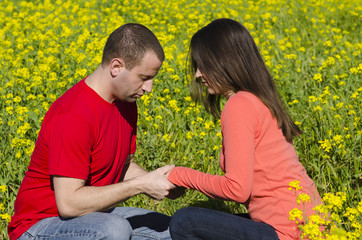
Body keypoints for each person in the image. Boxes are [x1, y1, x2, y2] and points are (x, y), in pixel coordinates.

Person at [8, 23, 181, 240]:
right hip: (39, 225)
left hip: (95, 216)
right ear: (116, 67)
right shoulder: (73, 114)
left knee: (170, 228)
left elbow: (122, 165)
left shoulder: (126, 104)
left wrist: (157, 180)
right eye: (144, 78)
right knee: (114, 230)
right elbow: (69, 204)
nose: (149, 88)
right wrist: (140, 186)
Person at [167, 18, 323, 240]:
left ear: (224, 61)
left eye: (203, 65)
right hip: (308, 227)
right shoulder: (259, 100)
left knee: (185, 222)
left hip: (286, 233)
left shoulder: (239, 105)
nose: (198, 75)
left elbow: (236, 189)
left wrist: (179, 175)